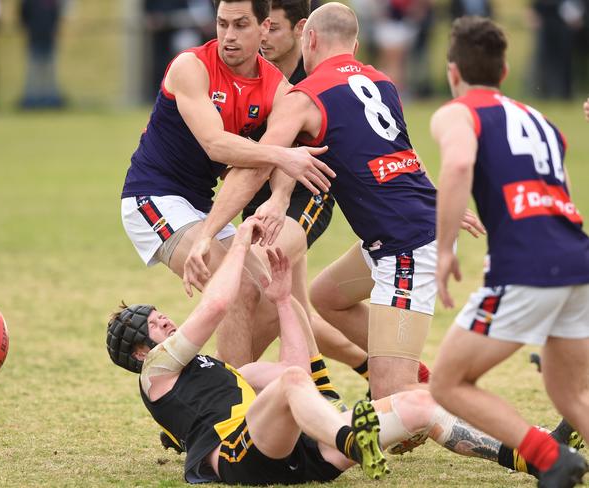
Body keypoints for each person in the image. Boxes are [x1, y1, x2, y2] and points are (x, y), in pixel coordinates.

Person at [107, 218, 577, 484]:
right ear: (142, 351)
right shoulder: (156, 376)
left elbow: (298, 376)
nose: (166, 320)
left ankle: (535, 455)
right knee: (296, 388)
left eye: (160, 316)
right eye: (155, 324)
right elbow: (215, 305)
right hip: (236, 459)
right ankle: (353, 437)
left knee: (420, 403)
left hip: (296, 450)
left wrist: (282, 302)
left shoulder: (232, 374)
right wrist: (237, 245)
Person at [183, 1, 485, 403]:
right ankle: (392, 367)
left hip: (404, 242)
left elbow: (258, 167)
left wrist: (208, 231)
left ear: (308, 36)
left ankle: (514, 439)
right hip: (402, 228)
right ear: (355, 45)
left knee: (394, 403)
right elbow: (402, 153)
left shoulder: (305, 95)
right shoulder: (381, 81)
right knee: (326, 297)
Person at [120, 0, 335, 368]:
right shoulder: (192, 66)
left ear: (264, 27)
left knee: (273, 297)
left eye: (240, 25)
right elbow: (215, 143)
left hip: (202, 205)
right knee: (235, 289)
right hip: (152, 197)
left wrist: (280, 196)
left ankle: (210, 394)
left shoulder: (278, 89)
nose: (228, 36)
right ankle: (235, 411)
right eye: (222, 24)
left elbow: (282, 148)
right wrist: (280, 156)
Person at [429, 15, 589, 488]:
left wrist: (443, 249)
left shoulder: (458, 111)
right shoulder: (543, 121)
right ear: (504, 71)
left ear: (452, 71)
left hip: (529, 267)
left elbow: (458, 164)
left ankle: (552, 458)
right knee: (571, 395)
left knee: (446, 383)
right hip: (577, 258)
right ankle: (558, 460)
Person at [19, 0, 67, 109]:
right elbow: (23, 16)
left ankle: (51, 99)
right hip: (34, 38)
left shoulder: (52, 2)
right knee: (33, 72)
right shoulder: (29, 2)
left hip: (49, 39)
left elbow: (57, 16)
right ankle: (31, 99)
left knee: (50, 72)